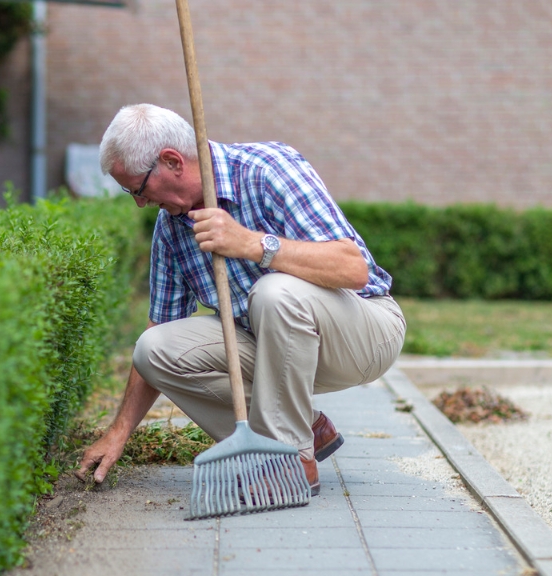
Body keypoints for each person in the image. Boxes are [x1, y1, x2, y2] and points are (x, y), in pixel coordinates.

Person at [74, 104, 406, 495]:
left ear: (171, 161)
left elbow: (353, 269)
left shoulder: (267, 169)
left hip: (361, 333)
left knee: (273, 292)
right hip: (273, 346)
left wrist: (250, 243)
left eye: (139, 189)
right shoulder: (171, 229)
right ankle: (306, 428)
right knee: (153, 350)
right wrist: (119, 431)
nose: (140, 204)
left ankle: (290, 459)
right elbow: (158, 327)